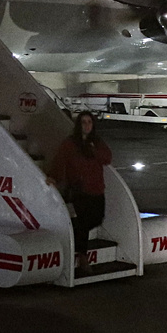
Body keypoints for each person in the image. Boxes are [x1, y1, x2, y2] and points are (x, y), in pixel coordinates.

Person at [49, 111, 112, 260]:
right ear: (79, 125)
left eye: (89, 122)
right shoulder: (70, 143)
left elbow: (107, 158)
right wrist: (53, 177)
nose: (87, 125)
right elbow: (60, 161)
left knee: (97, 218)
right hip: (79, 189)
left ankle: (72, 230)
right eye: (83, 122)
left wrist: (93, 150)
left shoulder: (96, 142)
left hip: (96, 188)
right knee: (84, 221)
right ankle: (83, 257)